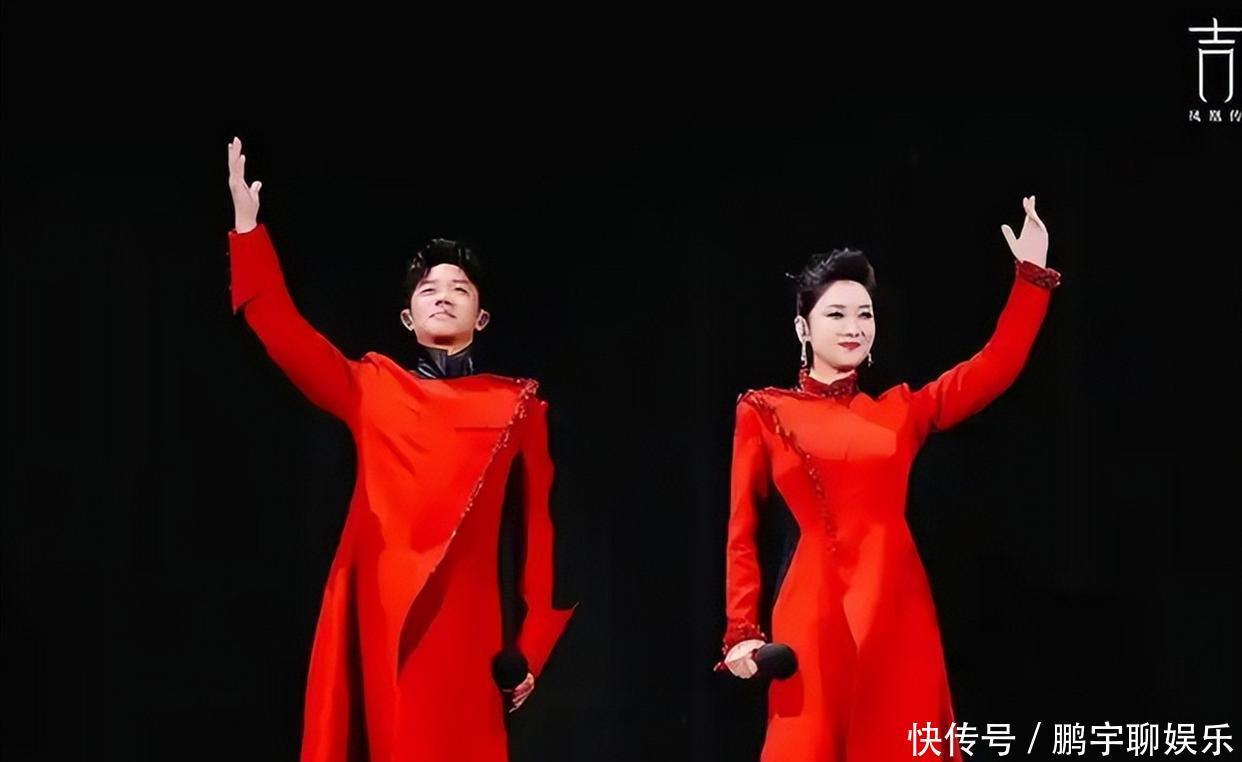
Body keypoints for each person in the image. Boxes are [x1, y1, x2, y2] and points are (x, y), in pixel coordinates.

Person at [225, 137, 574, 761]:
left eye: (459, 288)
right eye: (428, 288)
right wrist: (248, 231)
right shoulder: (372, 386)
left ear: (482, 317)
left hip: (466, 626)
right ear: (408, 318)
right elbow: (281, 329)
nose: (442, 294)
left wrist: (531, 645)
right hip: (381, 615)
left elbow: (539, 534)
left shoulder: (517, 404)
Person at [720, 197, 1061, 760]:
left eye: (865, 315)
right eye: (836, 315)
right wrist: (742, 631)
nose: (854, 328)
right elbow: (743, 529)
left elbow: (994, 366)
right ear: (803, 327)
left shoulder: (900, 411)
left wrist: (1031, 278)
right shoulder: (764, 410)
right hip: (813, 615)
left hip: (898, 611)